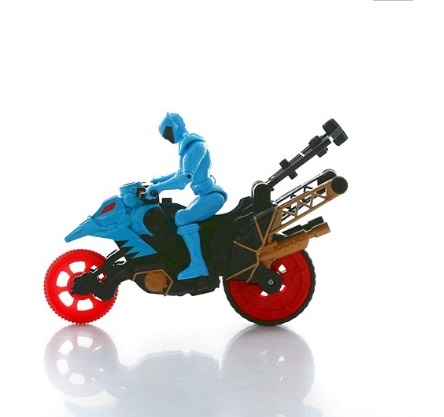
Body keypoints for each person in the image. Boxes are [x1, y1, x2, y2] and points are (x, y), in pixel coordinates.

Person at [146, 113, 227, 280]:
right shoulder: (187, 147)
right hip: (204, 195)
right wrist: (159, 181)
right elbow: (180, 172)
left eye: (168, 133)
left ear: (175, 126)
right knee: (176, 214)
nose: (168, 138)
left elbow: (185, 178)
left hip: (211, 196)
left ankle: (198, 265)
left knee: (182, 217)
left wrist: (159, 188)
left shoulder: (195, 146)